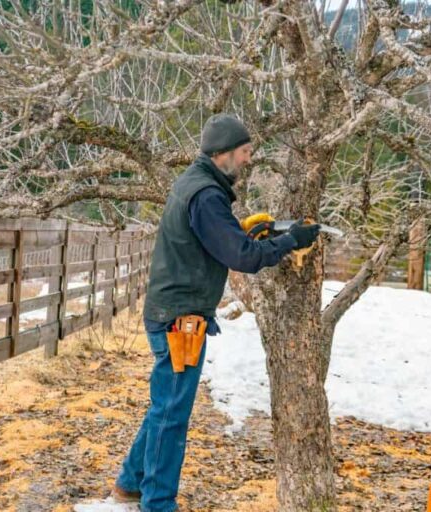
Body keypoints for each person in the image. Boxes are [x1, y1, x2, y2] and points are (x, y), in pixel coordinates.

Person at [112, 113, 321, 512]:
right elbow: (240, 257)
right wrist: (290, 241)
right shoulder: (207, 194)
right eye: (244, 152)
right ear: (222, 152)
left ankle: (128, 485)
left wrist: (252, 233)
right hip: (180, 318)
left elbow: (219, 240)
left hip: (172, 310)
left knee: (165, 405)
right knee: (171, 416)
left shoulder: (197, 184)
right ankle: (157, 504)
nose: (247, 160)